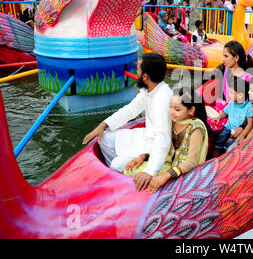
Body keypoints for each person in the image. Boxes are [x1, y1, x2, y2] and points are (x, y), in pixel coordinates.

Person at [82, 53, 172, 191]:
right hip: (144, 137)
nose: (136, 72)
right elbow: (130, 110)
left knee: (117, 164)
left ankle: (123, 181)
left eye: (138, 70)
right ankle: (119, 172)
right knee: (105, 137)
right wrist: (103, 125)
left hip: (155, 147)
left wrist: (150, 171)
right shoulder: (150, 89)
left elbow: (163, 139)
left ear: (145, 77)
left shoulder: (163, 98)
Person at [123, 86, 211, 194]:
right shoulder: (172, 122)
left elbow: (191, 162)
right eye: (170, 107)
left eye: (177, 109)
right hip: (168, 165)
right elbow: (163, 147)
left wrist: (165, 176)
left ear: (191, 110)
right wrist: (143, 157)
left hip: (185, 174)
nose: (171, 112)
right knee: (128, 170)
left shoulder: (196, 127)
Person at [210, 79, 253, 158]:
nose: (229, 95)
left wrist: (242, 135)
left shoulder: (249, 106)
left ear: (240, 95)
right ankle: (213, 162)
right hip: (227, 129)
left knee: (229, 149)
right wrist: (219, 117)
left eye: (231, 93)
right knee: (217, 145)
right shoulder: (231, 103)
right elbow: (225, 113)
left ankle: (224, 163)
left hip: (238, 132)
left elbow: (249, 124)